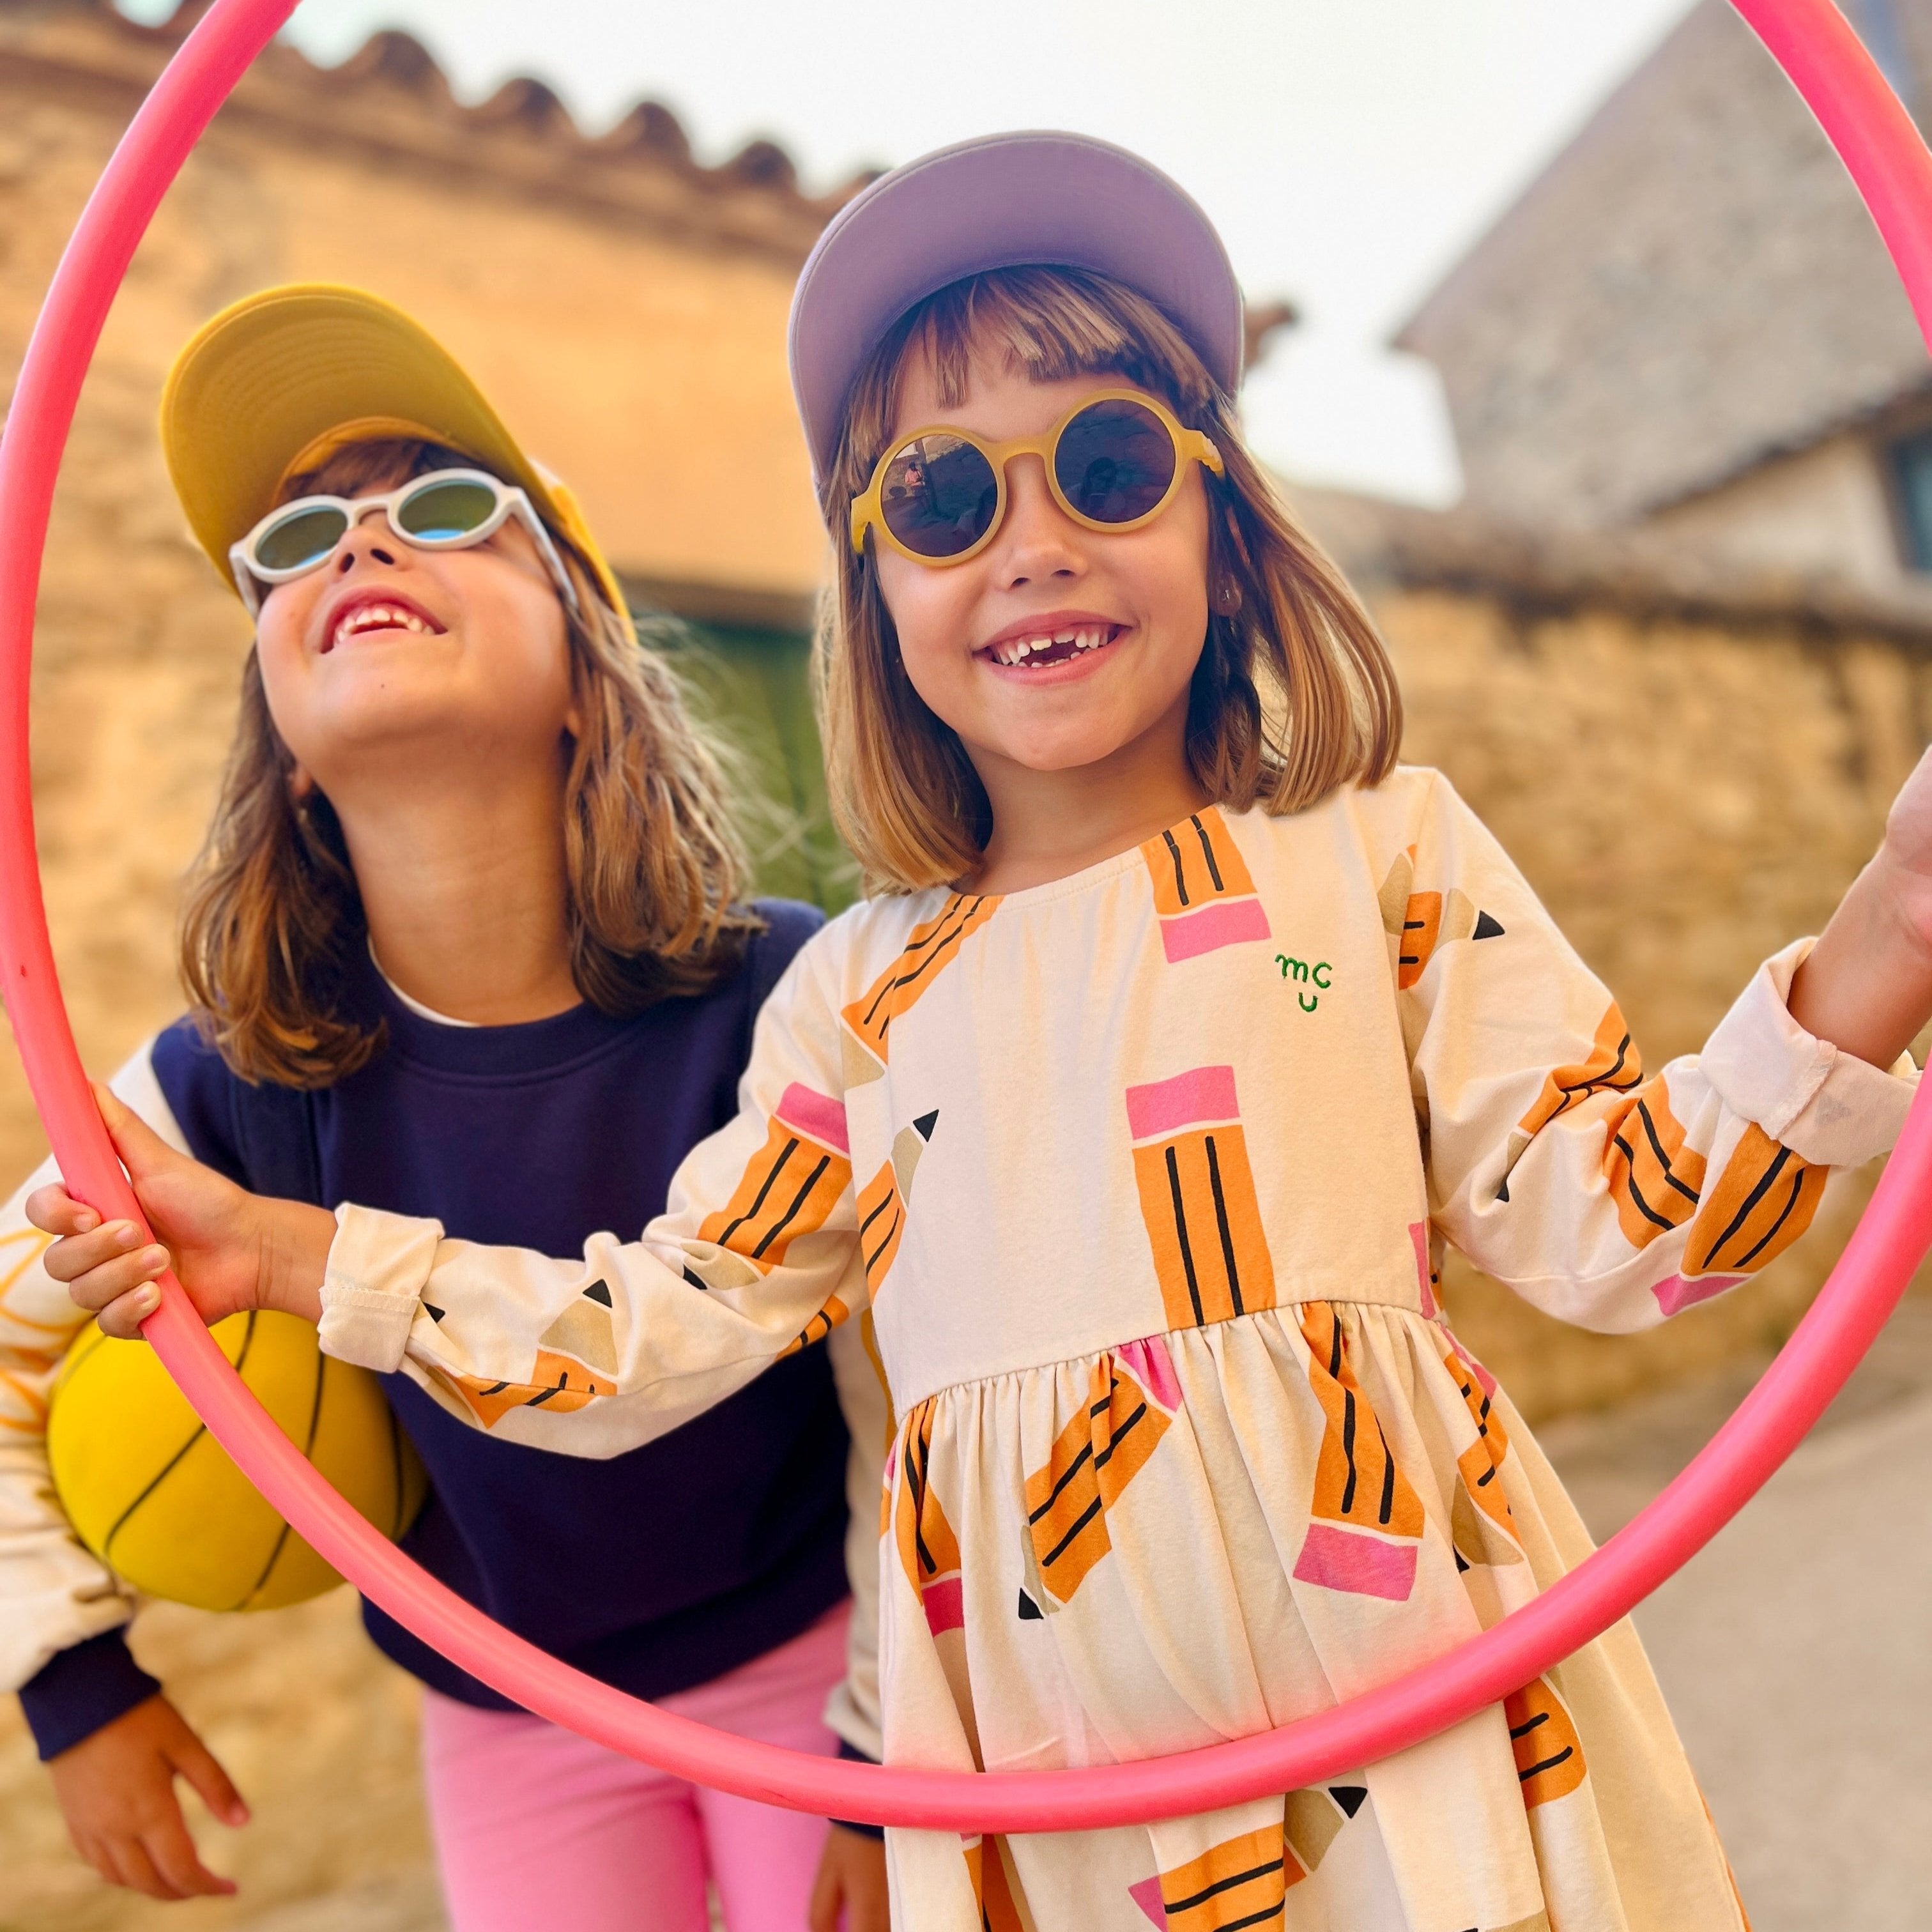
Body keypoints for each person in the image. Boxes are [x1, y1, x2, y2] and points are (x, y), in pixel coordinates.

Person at [37, 137, 1932, 1929]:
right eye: (941, 497)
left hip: (1419, 1739)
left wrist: (1892, 923)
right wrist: (293, 1258)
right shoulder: (854, 998)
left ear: (1229, 530)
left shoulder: (1382, 861)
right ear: (876, 596)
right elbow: (654, 1340)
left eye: (1104, 463)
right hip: (1059, 1805)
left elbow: (1637, 1228)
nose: (1027, 539)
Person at [3, 285, 889, 1932]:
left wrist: (892, 1735)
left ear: (582, 671)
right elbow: (3, 1338)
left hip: (818, 1672)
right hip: (506, 1716)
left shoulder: (792, 998)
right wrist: (69, 1677)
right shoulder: (221, 1090)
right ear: (280, 741)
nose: (358, 546)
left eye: (447, 506)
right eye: (293, 542)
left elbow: (920, 1400)